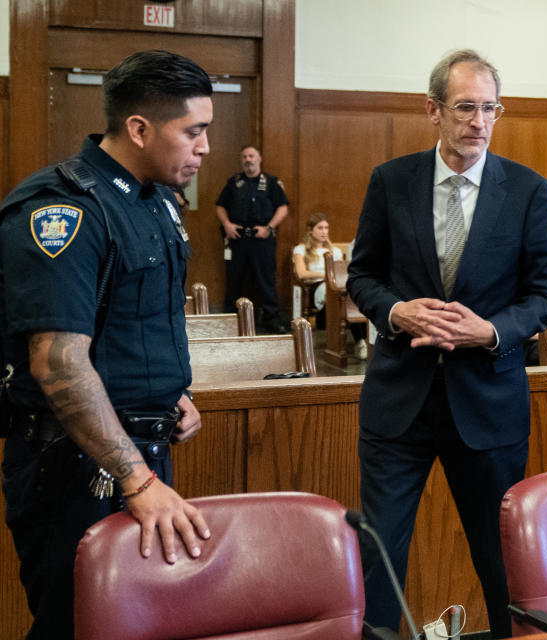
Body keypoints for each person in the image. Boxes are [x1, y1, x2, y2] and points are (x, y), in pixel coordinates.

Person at [346, 49, 547, 637]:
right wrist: (397, 311)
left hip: (488, 405)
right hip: (399, 406)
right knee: (379, 561)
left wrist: (489, 331)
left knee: (502, 561)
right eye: (466, 107)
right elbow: (361, 276)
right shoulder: (391, 182)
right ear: (433, 110)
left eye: (491, 108)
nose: (479, 121)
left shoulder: (527, 190)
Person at [0, 49, 213, 639]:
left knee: (141, 624)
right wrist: (136, 479)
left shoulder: (155, 202)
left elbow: (134, 324)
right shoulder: (65, 209)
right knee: (80, 626)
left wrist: (170, 394)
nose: (204, 148)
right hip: (76, 467)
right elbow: (57, 363)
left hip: (137, 455)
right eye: (193, 131)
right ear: (140, 129)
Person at [216, 145, 289, 333]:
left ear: (259, 158)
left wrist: (269, 227)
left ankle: (271, 320)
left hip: (262, 239)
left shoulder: (271, 183)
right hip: (238, 238)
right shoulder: (233, 183)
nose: (248, 160)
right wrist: (227, 224)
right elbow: (220, 206)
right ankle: (229, 320)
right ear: (241, 160)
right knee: (234, 281)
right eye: (244, 157)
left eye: (252, 156)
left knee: (266, 281)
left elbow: (283, 208)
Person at [293, 212, 367, 357]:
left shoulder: (335, 251)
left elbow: (342, 273)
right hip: (317, 286)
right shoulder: (300, 249)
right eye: (320, 228)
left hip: (338, 287)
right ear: (310, 230)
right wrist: (325, 276)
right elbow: (302, 273)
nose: (324, 232)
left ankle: (363, 341)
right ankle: (360, 340)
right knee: (344, 298)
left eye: (326, 228)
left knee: (354, 295)